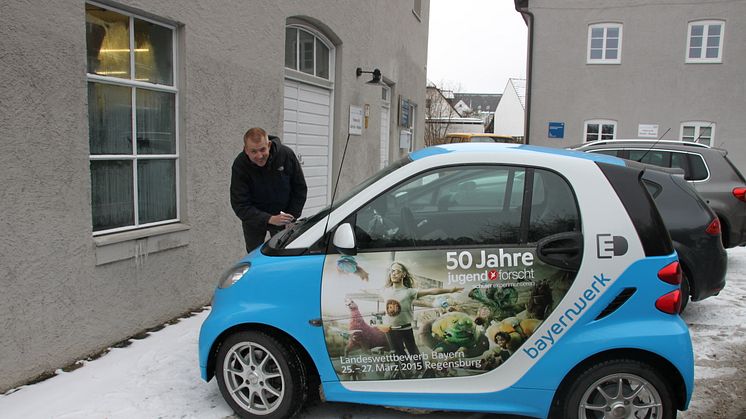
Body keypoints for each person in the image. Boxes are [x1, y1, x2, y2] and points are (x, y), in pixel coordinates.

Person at [230, 127, 307, 252]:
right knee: (255, 258)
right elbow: (240, 204)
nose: (259, 156)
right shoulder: (240, 165)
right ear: (246, 150)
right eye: (253, 151)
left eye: (262, 149)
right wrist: (269, 219)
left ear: (269, 145)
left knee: (283, 255)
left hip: (284, 217)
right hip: (254, 219)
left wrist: (292, 216)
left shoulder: (286, 155)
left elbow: (299, 189)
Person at [380, 262, 462, 360]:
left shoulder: (408, 292)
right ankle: (407, 372)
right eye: (392, 271)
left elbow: (431, 291)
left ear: (404, 274)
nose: (393, 273)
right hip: (390, 330)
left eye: (397, 271)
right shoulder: (384, 291)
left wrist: (450, 290)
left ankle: (421, 369)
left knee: (413, 352)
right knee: (399, 354)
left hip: (405, 328)